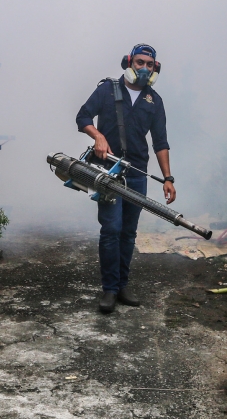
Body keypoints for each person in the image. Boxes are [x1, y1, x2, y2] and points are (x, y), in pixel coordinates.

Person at [75, 43, 176, 314]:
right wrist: (98, 136)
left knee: (129, 232)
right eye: (140, 62)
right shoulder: (107, 90)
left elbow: (160, 141)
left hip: (137, 173)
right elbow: (82, 116)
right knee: (111, 229)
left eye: (150, 65)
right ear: (129, 62)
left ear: (156, 69)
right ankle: (109, 289)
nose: (144, 68)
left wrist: (168, 177)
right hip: (108, 171)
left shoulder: (154, 101)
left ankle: (122, 285)